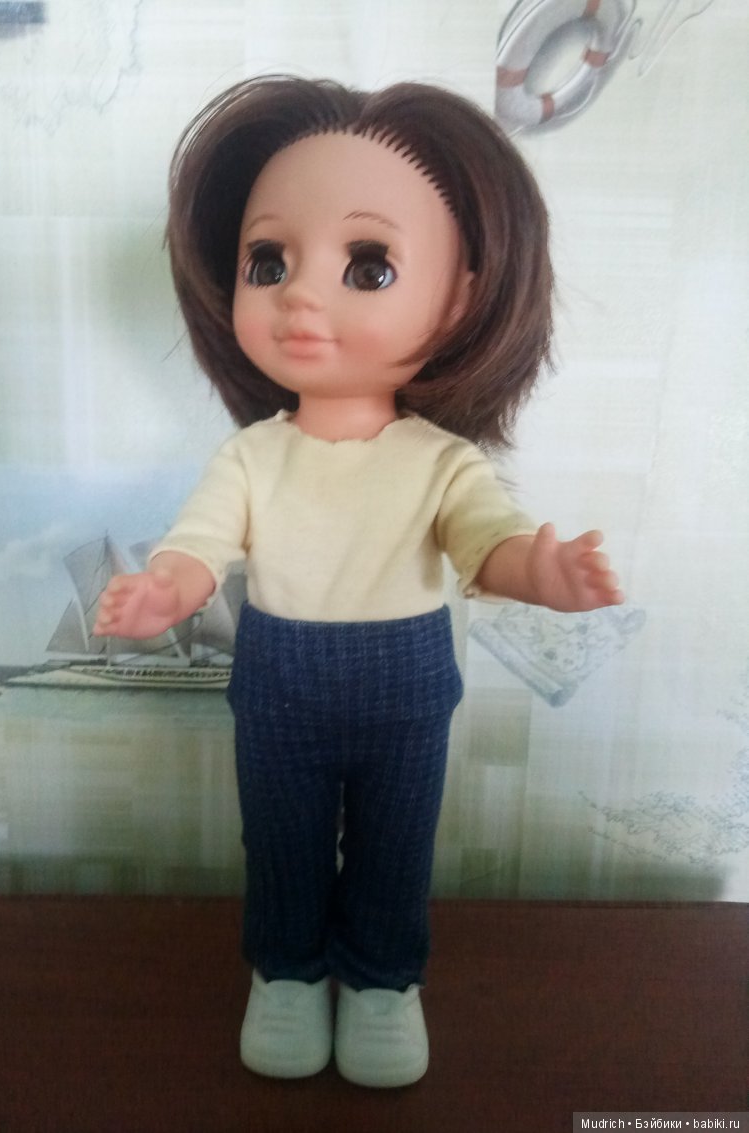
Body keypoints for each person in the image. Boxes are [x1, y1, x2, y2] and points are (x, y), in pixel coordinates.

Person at [95, 76, 623, 1088]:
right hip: (281, 679)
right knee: (281, 837)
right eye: (268, 262)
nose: (300, 296)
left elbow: (487, 539)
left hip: (405, 684)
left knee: (396, 840)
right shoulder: (255, 455)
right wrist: (167, 589)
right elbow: (202, 540)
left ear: (459, 296)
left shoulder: (439, 460)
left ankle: (382, 981)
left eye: (368, 265)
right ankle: (287, 973)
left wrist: (542, 571)